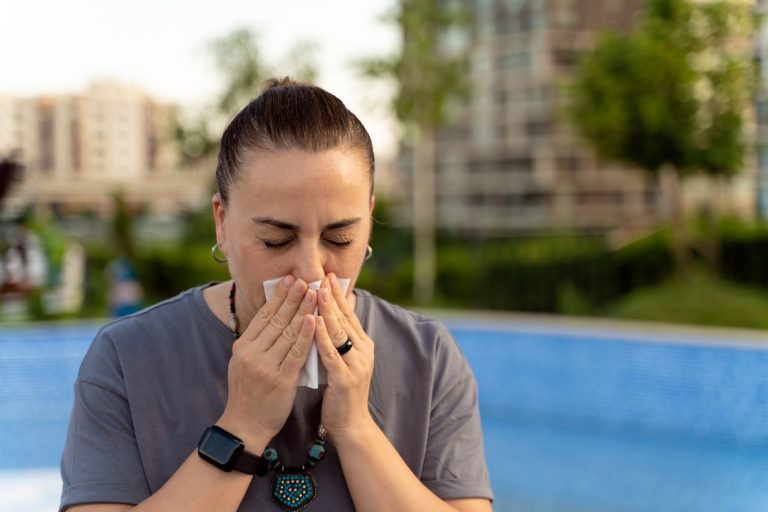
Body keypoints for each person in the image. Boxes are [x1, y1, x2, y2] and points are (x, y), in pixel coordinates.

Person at [60, 78, 494, 512]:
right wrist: (242, 426)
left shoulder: (428, 356)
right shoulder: (127, 358)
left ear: (368, 221)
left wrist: (357, 428)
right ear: (222, 223)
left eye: (340, 237)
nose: (311, 270)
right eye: (275, 239)